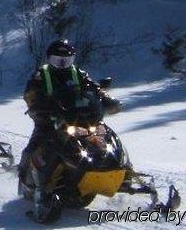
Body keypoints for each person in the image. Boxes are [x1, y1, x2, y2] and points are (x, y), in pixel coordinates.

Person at [18, 39, 121, 212]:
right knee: (36, 147)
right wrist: (38, 108)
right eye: (58, 60)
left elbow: (94, 88)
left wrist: (107, 99)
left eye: (67, 59)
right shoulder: (41, 76)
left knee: (106, 136)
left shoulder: (79, 73)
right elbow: (31, 95)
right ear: (50, 59)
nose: (63, 63)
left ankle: (124, 173)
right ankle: (34, 185)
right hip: (50, 121)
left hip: (81, 117)